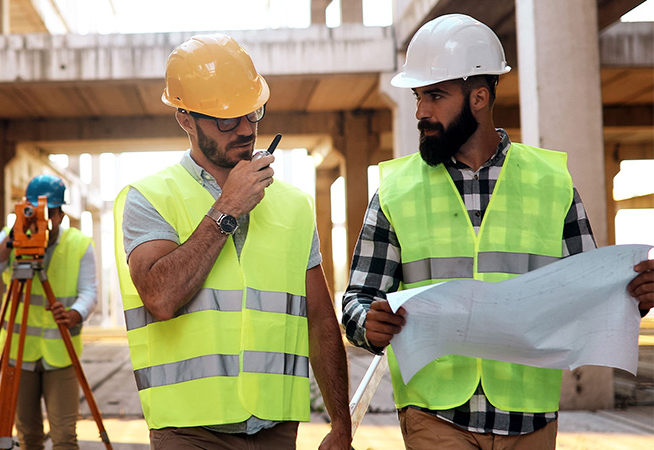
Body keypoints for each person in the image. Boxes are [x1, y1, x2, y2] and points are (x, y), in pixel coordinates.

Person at [340, 13, 654, 450]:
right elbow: (356, 300)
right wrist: (366, 324)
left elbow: (588, 298)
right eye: (417, 96)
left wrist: (632, 297)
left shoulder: (551, 181)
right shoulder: (396, 189)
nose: (420, 111)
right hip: (436, 415)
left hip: (530, 417)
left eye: (434, 95)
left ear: (480, 97)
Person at [113, 34, 351, 450]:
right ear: (186, 119)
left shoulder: (293, 205)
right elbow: (161, 297)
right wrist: (227, 208)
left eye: (253, 113)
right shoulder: (150, 198)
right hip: (189, 432)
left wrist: (341, 424)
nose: (245, 130)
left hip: (276, 429)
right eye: (226, 120)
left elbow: (320, 321)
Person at [0, 174, 97, 450]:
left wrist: (77, 312)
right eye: (37, 211)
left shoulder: (79, 244)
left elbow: (89, 292)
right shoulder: (10, 237)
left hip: (61, 354)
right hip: (18, 354)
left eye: (50, 212)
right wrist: (10, 242)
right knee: (29, 437)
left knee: (64, 438)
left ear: (61, 215)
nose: (43, 219)